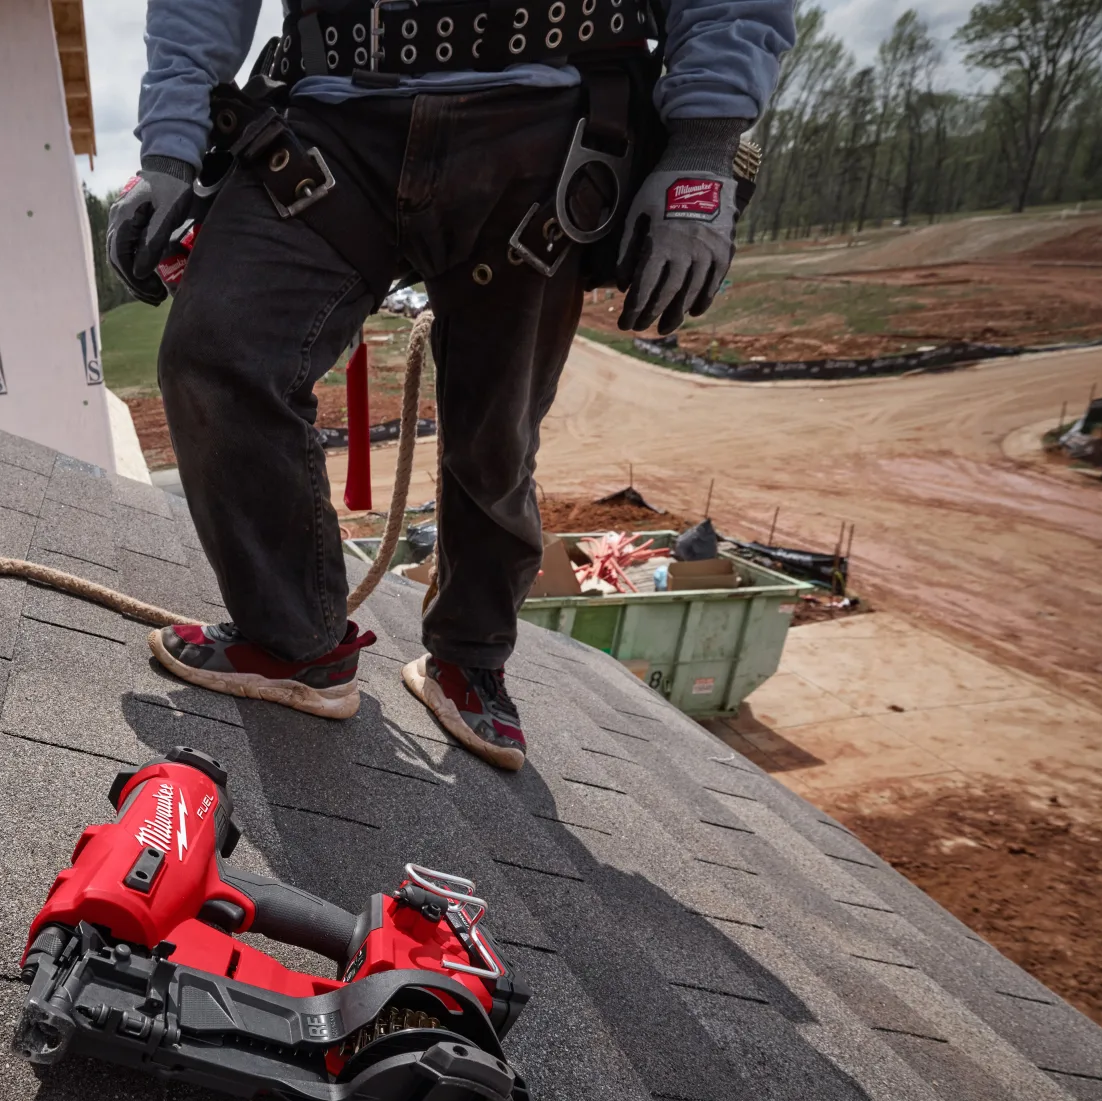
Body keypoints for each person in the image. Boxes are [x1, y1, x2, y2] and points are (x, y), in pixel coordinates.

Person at [109, 0, 793, 770]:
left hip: (547, 125)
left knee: (497, 435)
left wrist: (703, 150)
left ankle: (469, 656)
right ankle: (291, 640)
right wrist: (170, 148)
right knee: (217, 356)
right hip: (329, 123)